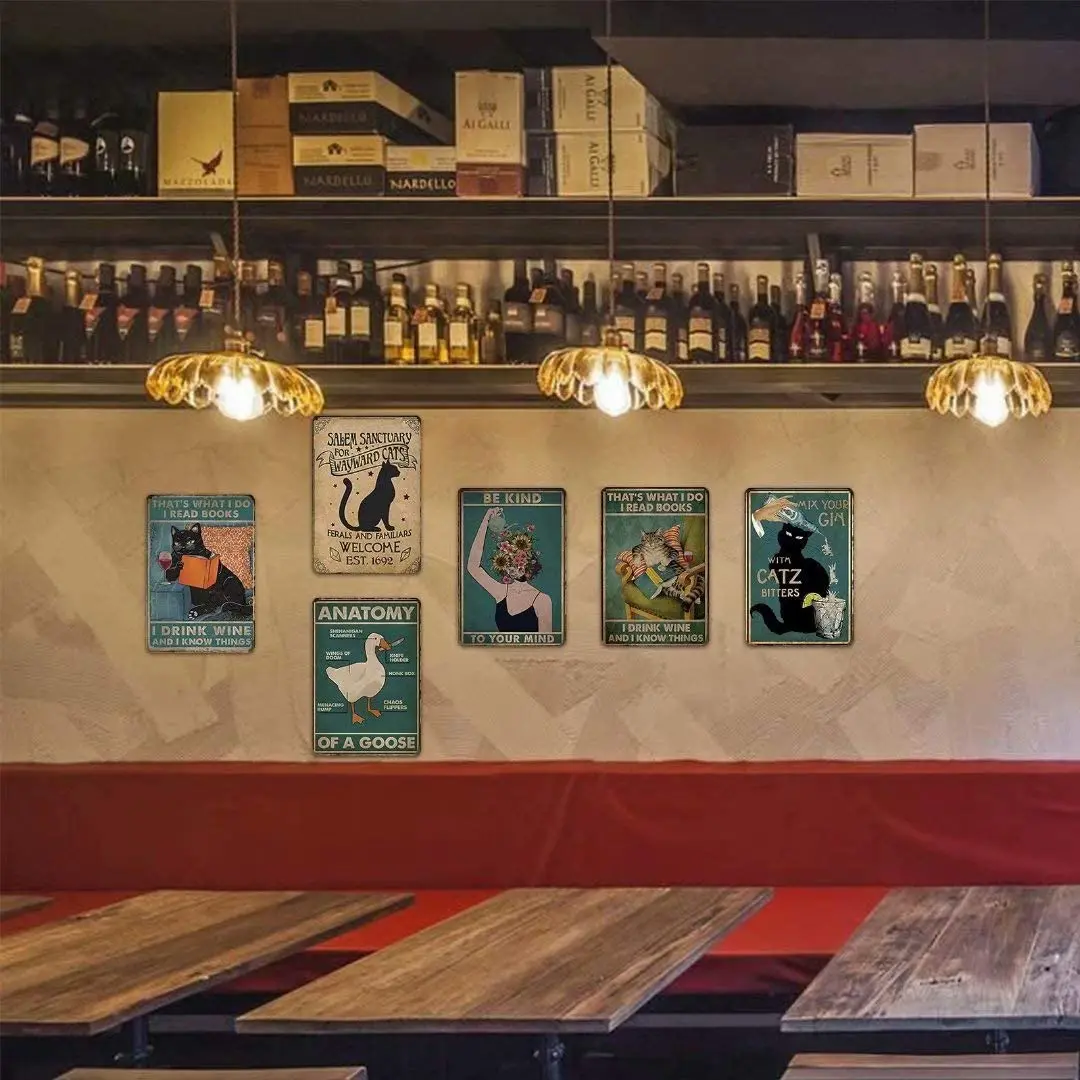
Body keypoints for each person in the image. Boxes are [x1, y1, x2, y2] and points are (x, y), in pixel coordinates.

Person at [467, 507, 553, 633]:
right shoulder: (501, 592)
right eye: (511, 560)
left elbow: (546, 642)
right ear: (505, 565)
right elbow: (473, 566)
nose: (516, 564)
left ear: (530, 563)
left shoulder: (542, 600)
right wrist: (486, 520)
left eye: (520, 559)